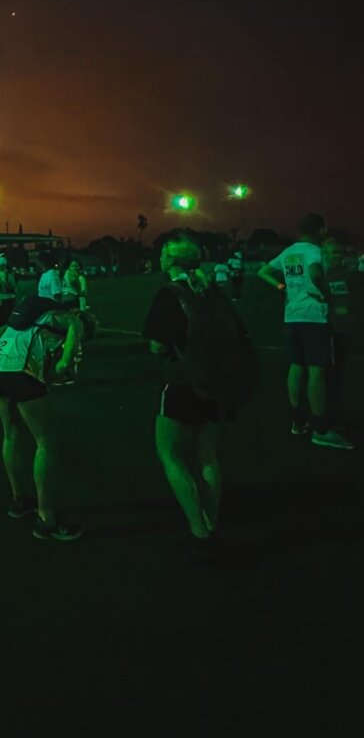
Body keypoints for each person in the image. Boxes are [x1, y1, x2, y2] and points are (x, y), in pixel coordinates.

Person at [143, 234, 258, 560]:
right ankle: (210, 521)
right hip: (219, 382)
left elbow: (157, 346)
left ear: (169, 259)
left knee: (170, 453)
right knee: (207, 455)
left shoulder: (170, 294)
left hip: (183, 382)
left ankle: (198, 532)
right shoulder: (212, 291)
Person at [0, 294, 84, 541]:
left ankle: (20, 501)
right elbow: (74, 329)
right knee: (46, 443)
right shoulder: (66, 317)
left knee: (11, 434)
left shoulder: (25, 318)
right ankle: (47, 519)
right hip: (21, 370)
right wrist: (64, 361)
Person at [258, 213, 352, 449]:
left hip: (292, 315)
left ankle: (298, 421)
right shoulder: (313, 250)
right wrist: (326, 294)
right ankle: (321, 429)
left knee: (296, 367)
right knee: (317, 371)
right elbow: (315, 273)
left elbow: (264, 272)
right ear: (321, 230)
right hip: (313, 316)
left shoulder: (290, 252)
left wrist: (282, 286)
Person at [323, 236, 353, 430]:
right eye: (333, 252)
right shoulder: (319, 274)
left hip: (342, 331)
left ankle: (332, 410)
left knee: (337, 373)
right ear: (324, 254)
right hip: (323, 330)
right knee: (321, 372)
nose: (337, 256)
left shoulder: (348, 275)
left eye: (340, 253)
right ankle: (318, 412)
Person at [0, 254, 18, 327]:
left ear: (3, 265)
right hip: (10, 299)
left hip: (1, 299)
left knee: (0, 320)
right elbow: (15, 288)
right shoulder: (9, 275)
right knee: (8, 319)